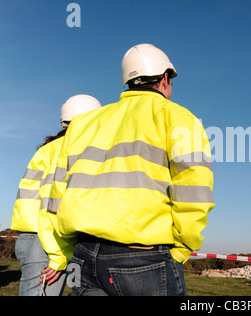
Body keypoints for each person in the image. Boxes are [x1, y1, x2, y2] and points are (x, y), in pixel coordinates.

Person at [48, 43, 215, 296]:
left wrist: (62, 251)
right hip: (143, 259)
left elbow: (57, 194)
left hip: (83, 255)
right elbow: (195, 191)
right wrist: (182, 250)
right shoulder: (179, 118)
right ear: (164, 79)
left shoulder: (82, 125)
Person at [11, 95, 101, 296]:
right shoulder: (71, 149)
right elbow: (52, 205)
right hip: (48, 243)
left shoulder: (48, 149)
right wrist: (57, 256)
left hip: (32, 239)